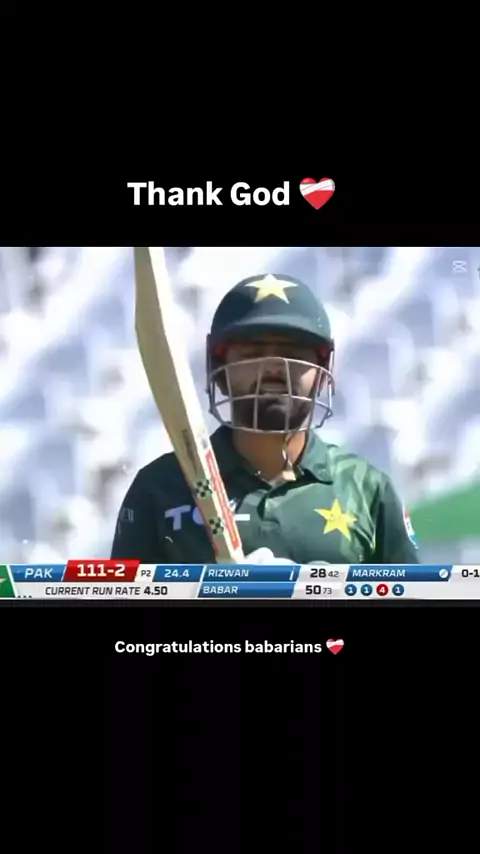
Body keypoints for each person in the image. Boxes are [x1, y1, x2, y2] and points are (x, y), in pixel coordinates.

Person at [111, 273, 420, 565]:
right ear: (219, 373)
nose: (273, 369)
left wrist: (315, 588)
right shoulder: (160, 487)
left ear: (323, 373)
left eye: (293, 354)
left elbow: (412, 593)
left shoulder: (368, 489)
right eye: (252, 354)